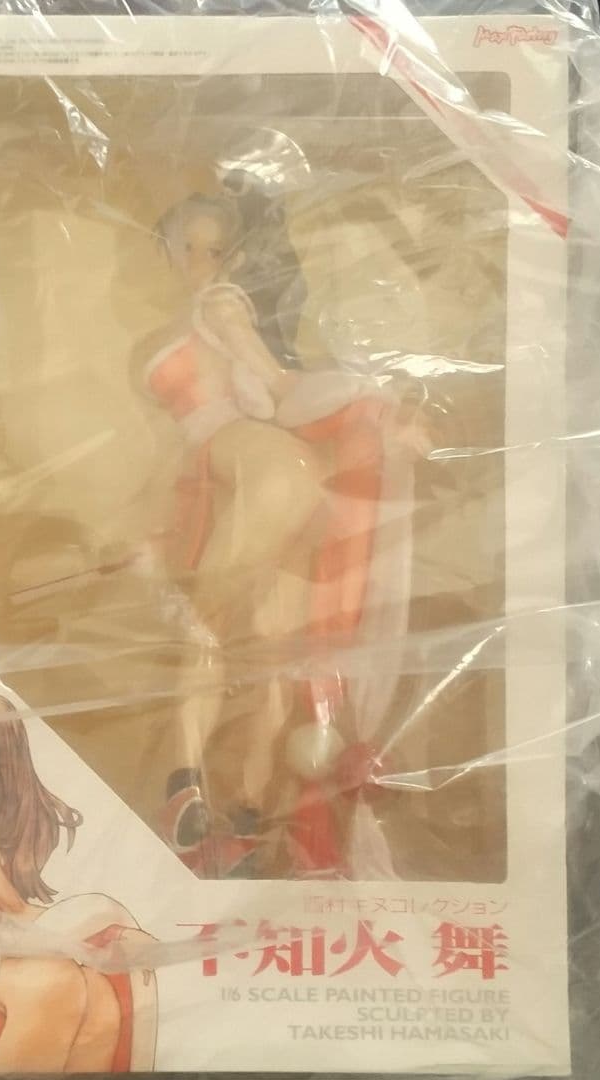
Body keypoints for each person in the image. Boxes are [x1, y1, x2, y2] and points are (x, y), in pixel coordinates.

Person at [141, 191, 426, 879]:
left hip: (257, 464)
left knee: (212, 630)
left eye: (213, 250)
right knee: (270, 650)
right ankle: (241, 813)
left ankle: (190, 787)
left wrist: (367, 407)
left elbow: (274, 383)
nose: (198, 262)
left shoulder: (222, 305)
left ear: (236, 257)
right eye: (186, 247)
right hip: (256, 477)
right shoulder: (202, 313)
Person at [0, 692, 157, 1073]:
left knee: (96, 963)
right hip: (5, 968)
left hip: (9, 961)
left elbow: (16, 912)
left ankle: (112, 936)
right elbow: (4, 927)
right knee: (86, 979)